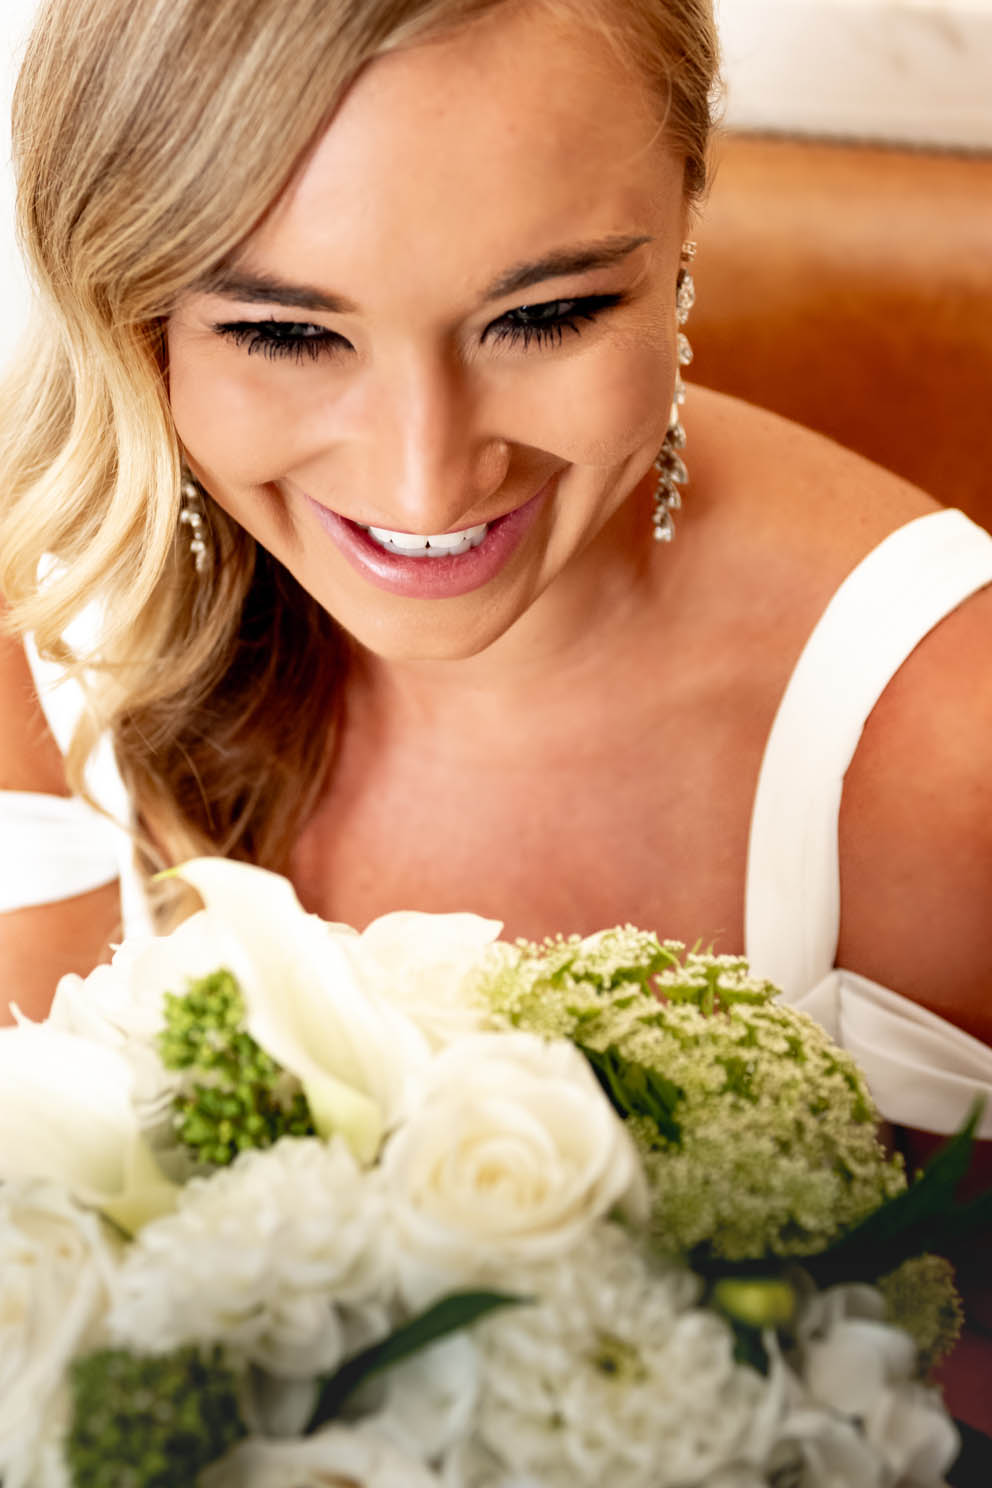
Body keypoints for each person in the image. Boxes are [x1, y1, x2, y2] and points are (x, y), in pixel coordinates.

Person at [1, 0, 991, 1456]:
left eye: (545, 315)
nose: (425, 475)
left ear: (686, 217)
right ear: (131, 305)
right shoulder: (44, 634)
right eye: (286, 332)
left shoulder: (949, 755)